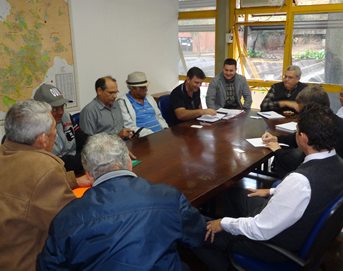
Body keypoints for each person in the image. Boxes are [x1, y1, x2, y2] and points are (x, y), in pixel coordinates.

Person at [194, 105, 343, 271]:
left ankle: (229, 260)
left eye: (297, 131)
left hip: (275, 247)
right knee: (234, 194)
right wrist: (273, 191)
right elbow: (311, 194)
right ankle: (233, 250)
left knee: (199, 236)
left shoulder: (300, 182)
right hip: (299, 232)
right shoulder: (342, 166)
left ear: (303, 138)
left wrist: (224, 223)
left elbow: (260, 230)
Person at [37, 133, 206, 271]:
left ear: (88, 174)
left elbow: (49, 266)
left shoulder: (66, 218)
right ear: (129, 163)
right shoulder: (169, 196)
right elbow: (196, 236)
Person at [0, 100, 77, 271]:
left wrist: (73, 180)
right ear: (42, 139)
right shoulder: (45, 168)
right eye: (53, 130)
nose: (56, 133)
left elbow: (21, 190)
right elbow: (72, 225)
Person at [263, 85, 343, 183]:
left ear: (311, 110)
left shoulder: (321, 128)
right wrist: (277, 139)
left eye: (302, 111)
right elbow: (300, 136)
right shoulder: (331, 120)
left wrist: (278, 151)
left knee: (285, 161)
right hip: (342, 175)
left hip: (331, 181)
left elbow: (299, 166)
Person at [34, 83, 88, 174]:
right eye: (54, 109)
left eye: (62, 106)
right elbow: (49, 164)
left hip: (76, 170)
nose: (61, 112)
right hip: (53, 175)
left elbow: (83, 140)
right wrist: (84, 159)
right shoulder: (32, 130)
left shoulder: (65, 116)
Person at [118, 71, 168, 137]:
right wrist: (151, 134)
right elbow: (129, 126)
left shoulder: (149, 98)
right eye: (143, 88)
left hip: (161, 134)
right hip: (144, 138)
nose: (146, 90)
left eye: (146, 86)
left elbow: (159, 117)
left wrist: (165, 129)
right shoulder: (122, 102)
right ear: (134, 88)